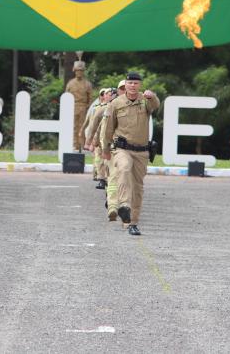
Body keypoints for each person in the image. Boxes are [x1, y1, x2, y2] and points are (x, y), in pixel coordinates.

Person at [100, 72, 160, 236]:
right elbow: (109, 128)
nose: (132, 86)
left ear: (139, 85)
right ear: (125, 85)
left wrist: (152, 96)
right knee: (124, 169)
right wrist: (105, 149)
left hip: (141, 151)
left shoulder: (145, 101)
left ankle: (132, 222)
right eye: (130, 83)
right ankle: (124, 206)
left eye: (135, 83)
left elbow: (155, 106)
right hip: (122, 148)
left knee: (138, 187)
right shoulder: (116, 103)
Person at [65, 60, 93, 151]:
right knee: (73, 126)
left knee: (83, 126)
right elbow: (66, 96)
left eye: (81, 70)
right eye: (77, 70)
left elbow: (90, 98)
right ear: (74, 71)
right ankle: (74, 144)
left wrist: (88, 107)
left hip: (83, 107)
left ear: (83, 72)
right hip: (72, 107)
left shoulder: (87, 84)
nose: (79, 72)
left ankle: (82, 144)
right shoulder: (70, 83)